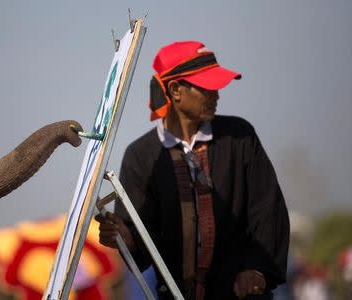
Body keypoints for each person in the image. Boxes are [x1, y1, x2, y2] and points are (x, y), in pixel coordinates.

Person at [95, 40, 289, 299]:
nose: (217, 95)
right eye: (208, 88)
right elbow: (142, 239)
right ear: (176, 90)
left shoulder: (240, 137)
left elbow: (267, 211)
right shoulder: (140, 156)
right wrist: (124, 238)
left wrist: (257, 270)